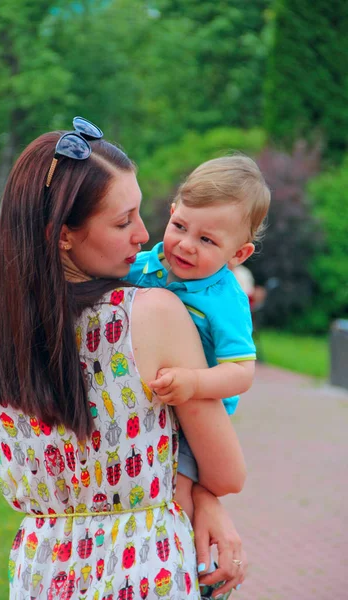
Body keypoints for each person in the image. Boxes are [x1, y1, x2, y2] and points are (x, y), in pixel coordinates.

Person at [0, 118, 247, 600]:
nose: (144, 234)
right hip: (144, 570)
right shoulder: (149, 314)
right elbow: (228, 471)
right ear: (62, 233)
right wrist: (204, 495)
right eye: (122, 220)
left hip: (41, 573)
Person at [125, 155, 271, 518]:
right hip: (149, 401)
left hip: (198, 411)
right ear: (172, 211)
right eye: (180, 226)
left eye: (206, 239)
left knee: (178, 489)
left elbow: (241, 372)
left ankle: (187, 560)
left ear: (239, 253)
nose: (186, 245)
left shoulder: (226, 299)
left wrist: (193, 382)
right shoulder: (146, 265)